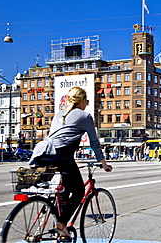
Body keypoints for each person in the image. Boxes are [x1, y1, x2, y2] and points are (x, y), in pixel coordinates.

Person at [29, 87, 112, 238]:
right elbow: (94, 143)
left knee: (65, 189)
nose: (87, 104)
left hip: (43, 152)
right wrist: (104, 164)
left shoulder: (59, 114)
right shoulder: (85, 116)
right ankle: (61, 225)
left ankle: (58, 226)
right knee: (79, 191)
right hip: (61, 156)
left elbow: (59, 136)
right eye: (86, 101)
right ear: (82, 101)